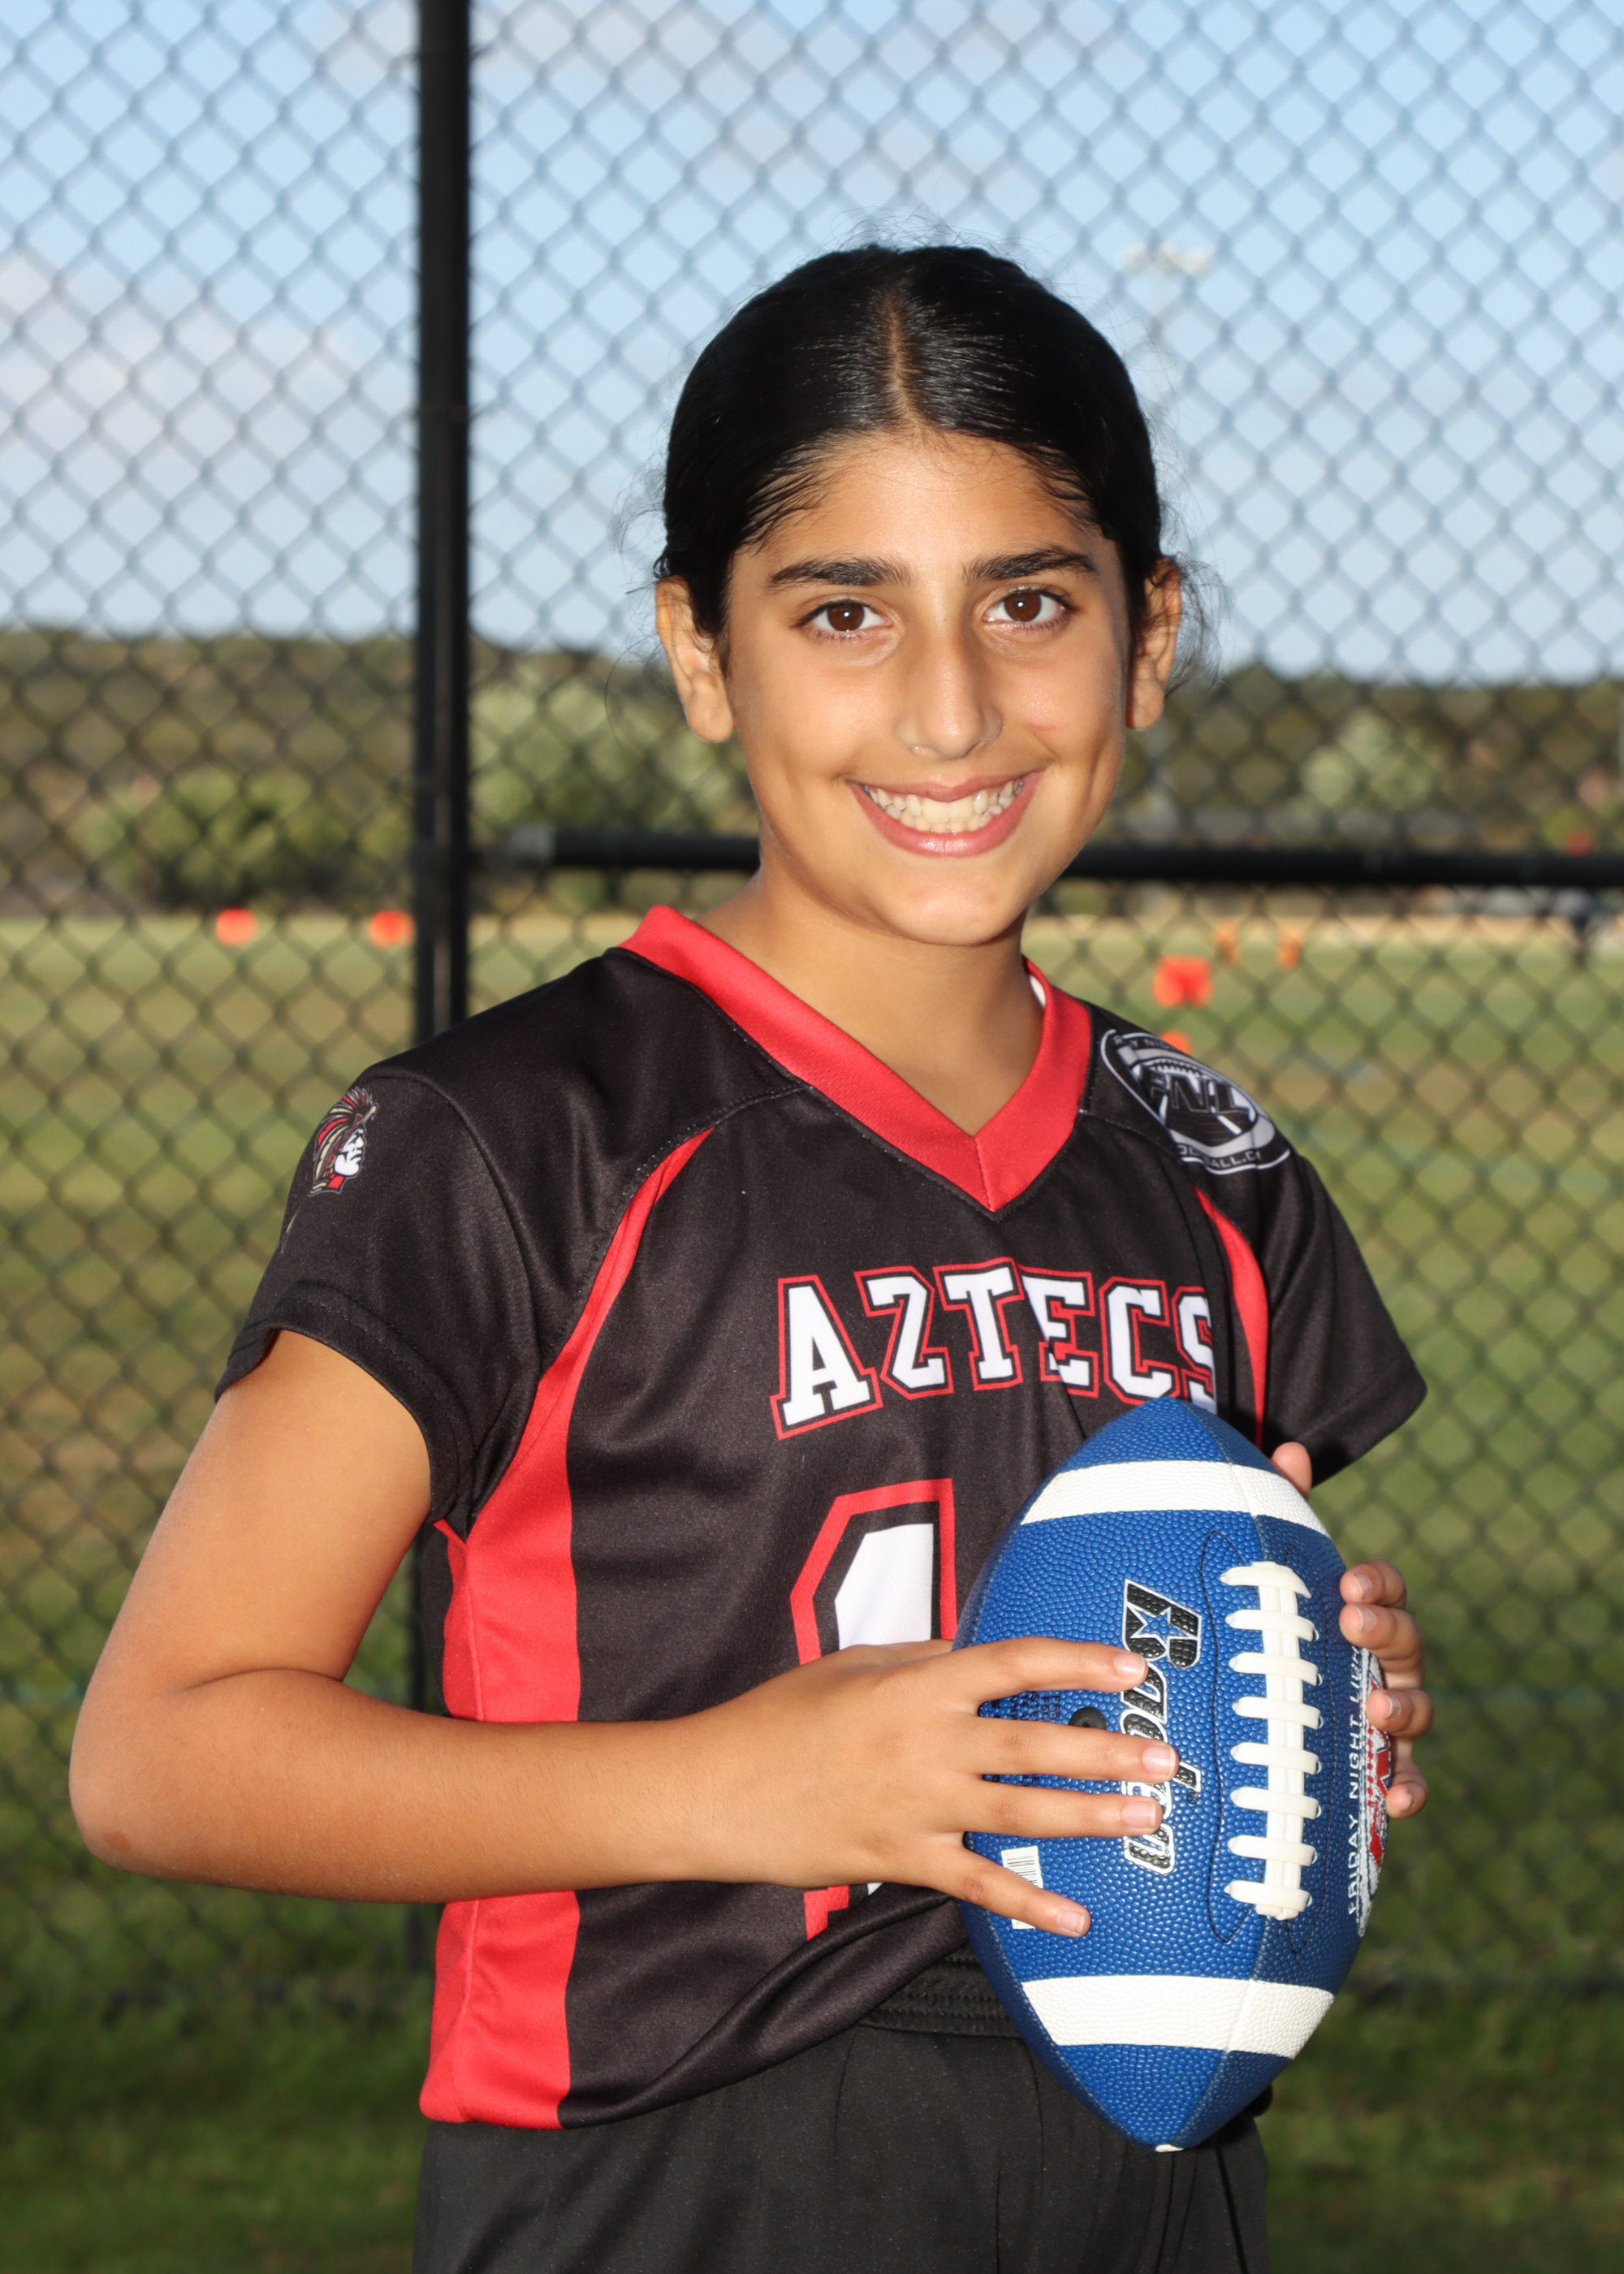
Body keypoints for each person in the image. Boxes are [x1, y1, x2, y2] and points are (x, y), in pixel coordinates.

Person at [70, 246, 1432, 2274]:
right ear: (702, 653)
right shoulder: (519, 1135)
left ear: (1147, 636)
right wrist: (740, 1785)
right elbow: (163, 1748)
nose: (950, 706)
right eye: (842, 612)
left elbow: (1154, 1636)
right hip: (678, 2162)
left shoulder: (1209, 1166)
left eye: (1029, 603)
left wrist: (1311, 1700)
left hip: (1155, 2160)